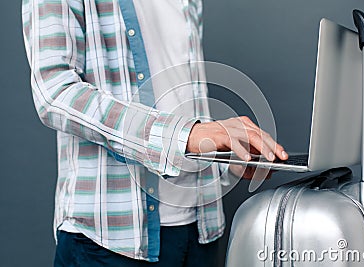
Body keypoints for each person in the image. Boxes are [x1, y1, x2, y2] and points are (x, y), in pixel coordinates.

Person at [22, 0, 288, 266]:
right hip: (109, 242)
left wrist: (226, 160)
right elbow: (55, 93)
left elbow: (183, 93)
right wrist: (185, 135)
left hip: (200, 231)